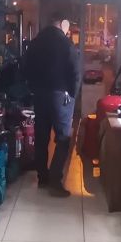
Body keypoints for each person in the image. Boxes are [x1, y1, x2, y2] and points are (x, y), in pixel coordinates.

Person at [23, 12, 80, 197]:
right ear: (63, 23)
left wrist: (33, 88)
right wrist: (72, 95)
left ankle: (43, 178)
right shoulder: (66, 43)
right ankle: (55, 181)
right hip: (60, 96)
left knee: (41, 137)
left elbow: (25, 67)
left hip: (39, 95)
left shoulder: (35, 43)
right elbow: (75, 72)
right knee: (63, 138)